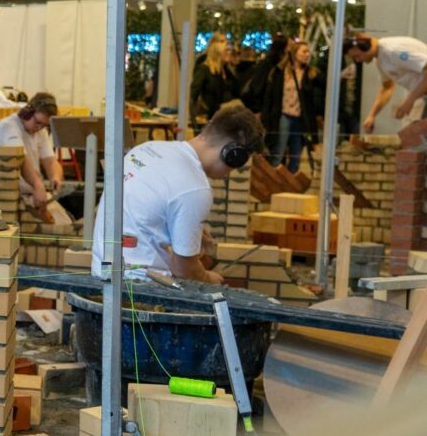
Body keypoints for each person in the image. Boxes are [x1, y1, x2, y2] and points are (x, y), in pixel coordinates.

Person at [91, 104, 265, 283]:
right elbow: (184, 269)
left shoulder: (147, 149)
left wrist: (188, 232)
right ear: (233, 154)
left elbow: (150, 210)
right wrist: (210, 279)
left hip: (101, 276)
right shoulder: (195, 187)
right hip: (139, 293)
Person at [0, 93, 62, 211]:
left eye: (44, 125)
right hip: (7, 197)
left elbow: (50, 160)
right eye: (37, 122)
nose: (39, 128)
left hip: (31, 193)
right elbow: (20, 160)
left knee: (65, 223)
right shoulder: (8, 127)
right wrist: (38, 184)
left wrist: (55, 177)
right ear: (27, 112)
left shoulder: (40, 130)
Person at [350, 35, 427, 132]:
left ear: (365, 47)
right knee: (412, 135)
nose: (358, 60)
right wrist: (372, 115)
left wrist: (409, 101)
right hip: (422, 95)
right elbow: (387, 87)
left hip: (422, 95)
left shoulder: (394, 51)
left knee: (414, 136)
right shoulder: (380, 59)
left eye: (357, 56)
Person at [262, 42, 319, 173]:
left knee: (296, 154)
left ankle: (290, 182)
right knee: (278, 150)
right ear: (294, 53)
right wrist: (266, 118)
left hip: (300, 118)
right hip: (284, 115)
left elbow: (313, 98)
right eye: (303, 51)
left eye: (308, 52)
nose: (307, 54)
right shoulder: (280, 72)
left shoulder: (310, 73)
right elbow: (270, 97)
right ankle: (273, 177)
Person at [190, 32, 237, 120]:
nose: (229, 52)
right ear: (216, 49)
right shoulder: (204, 70)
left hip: (227, 120)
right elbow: (192, 96)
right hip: (211, 120)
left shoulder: (227, 71)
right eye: (226, 50)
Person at [240, 33, 287, 113]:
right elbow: (257, 88)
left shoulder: (281, 65)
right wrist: (257, 110)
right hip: (264, 110)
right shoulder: (268, 64)